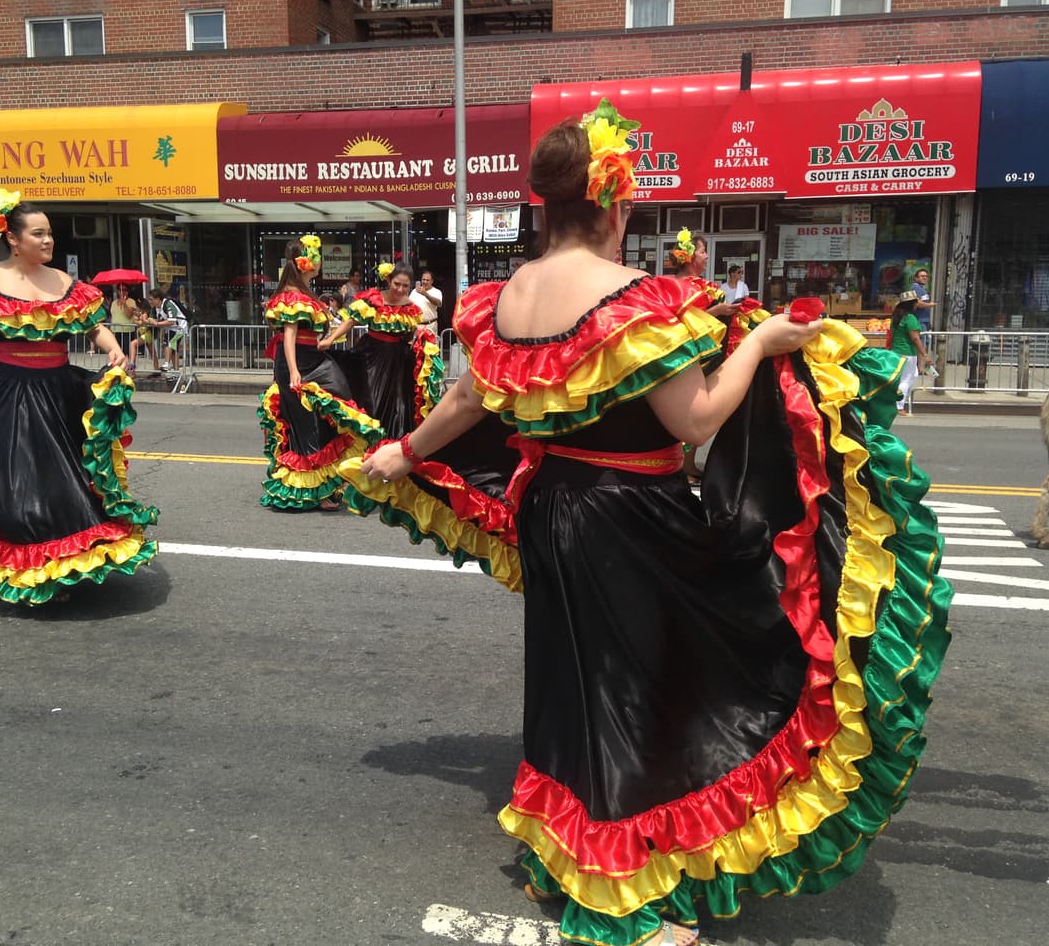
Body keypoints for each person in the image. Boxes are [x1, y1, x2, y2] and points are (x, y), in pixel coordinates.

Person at [350, 99, 951, 946]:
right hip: (630, 517)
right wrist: (763, 343)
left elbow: (464, 398)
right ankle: (615, 901)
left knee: (575, 688)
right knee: (633, 694)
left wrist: (405, 452)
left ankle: (569, 850)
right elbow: (697, 420)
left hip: (555, 510)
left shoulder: (507, 296)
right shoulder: (634, 300)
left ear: (545, 207)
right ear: (617, 206)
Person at [0, 190, 158, 605]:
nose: (47, 241)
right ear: (13, 239)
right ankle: (31, 568)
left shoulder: (66, 284)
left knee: (67, 483)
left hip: (59, 392)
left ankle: (66, 560)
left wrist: (113, 347)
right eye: (38, 234)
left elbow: (94, 327)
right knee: (19, 485)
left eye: (49, 233)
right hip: (7, 392)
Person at [257, 234, 376, 511]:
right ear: (306, 262)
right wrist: (295, 371)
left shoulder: (306, 292)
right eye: (317, 256)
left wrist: (328, 339)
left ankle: (334, 480)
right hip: (299, 363)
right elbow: (289, 335)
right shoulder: (293, 295)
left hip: (316, 360)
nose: (320, 261)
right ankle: (315, 490)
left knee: (338, 410)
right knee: (308, 426)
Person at [322, 261, 444, 438]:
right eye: (397, 284)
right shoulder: (374, 299)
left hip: (397, 362)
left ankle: (389, 445)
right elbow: (351, 321)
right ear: (389, 280)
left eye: (405, 285)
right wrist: (330, 339)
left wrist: (421, 339)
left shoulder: (410, 306)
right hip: (371, 356)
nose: (400, 289)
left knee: (399, 406)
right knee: (370, 400)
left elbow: (409, 334)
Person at [669, 232, 731, 482]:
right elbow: (682, 318)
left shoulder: (701, 284)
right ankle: (681, 465)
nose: (706, 256)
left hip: (708, 354)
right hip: (688, 355)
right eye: (703, 251)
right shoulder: (677, 286)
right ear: (690, 256)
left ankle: (689, 463)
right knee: (689, 409)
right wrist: (716, 310)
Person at [888, 289, 933, 415]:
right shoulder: (910, 318)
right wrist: (924, 354)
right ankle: (899, 406)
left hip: (896, 350)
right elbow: (915, 338)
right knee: (906, 379)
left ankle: (897, 403)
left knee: (910, 375)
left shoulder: (896, 317)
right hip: (907, 352)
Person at [147, 288, 188, 377]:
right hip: (170, 329)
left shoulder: (168, 304)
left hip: (179, 327)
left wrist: (157, 323)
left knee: (170, 343)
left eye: (151, 299)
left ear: (158, 299)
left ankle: (167, 363)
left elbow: (171, 321)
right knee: (173, 349)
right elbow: (152, 319)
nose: (150, 302)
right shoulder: (155, 308)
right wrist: (147, 320)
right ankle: (176, 371)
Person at [410, 269, 443, 336]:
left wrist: (426, 294)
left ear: (432, 281)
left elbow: (439, 303)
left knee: (430, 346)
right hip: (416, 326)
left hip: (430, 326)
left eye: (427, 280)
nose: (425, 282)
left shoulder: (437, 292)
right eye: (423, 279)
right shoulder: (414, 291)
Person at [109, 284, 137, 359]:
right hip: (116, 331)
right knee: (117, 352)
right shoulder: (114, 302)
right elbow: (113, 316)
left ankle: (131, 367)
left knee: (128, 352)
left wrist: (125, 304)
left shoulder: (131, 301)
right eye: (121, 289)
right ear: (118, 291)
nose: (123, 292)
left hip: (127, 331)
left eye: (125, 290)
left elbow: (129, 315)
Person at [911, 267, 933, 333]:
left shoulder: (922, 288)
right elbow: (917, 303)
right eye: (922, 276)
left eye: (926, 276)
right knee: (922, 341)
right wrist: (930, 304)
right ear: (916, 278)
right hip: (919, 320)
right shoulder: (916, 287)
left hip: (925, 320)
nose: (925, 278)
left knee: (925, 341)